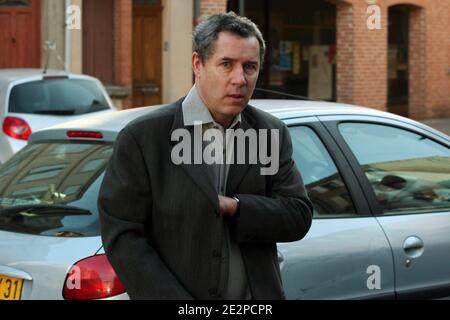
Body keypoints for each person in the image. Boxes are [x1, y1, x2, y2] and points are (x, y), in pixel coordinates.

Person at [98, 12, 313, 300]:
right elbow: (123, 237)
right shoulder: (144, 137)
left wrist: (237, 207)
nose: (240, 79)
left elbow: (297, 215)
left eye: (250, 67)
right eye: (226, 64)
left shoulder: (270, 132)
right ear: (198, 64)